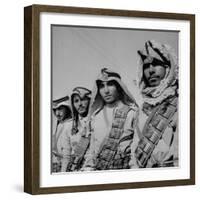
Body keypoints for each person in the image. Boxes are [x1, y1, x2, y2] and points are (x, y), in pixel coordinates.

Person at [82, 68, 139, 171]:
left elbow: (135, 151)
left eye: (110, 84)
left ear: (119, 87)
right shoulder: (95, 116)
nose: (106, 90)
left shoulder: (132, 113)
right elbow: (92, 150)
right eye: (102, 86)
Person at [135, 40, 178, 168]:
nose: (151, 70)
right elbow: (135, 146)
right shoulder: (142, 107)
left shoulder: (181, 103)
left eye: (156, 64)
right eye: (146, 66)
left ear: (168, 67)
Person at [61, 87, 92, 172]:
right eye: (76, 101)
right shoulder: (68, 126)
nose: (80, 104)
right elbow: (66, 156)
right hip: (76, 170)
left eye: (83, 100)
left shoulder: (98, 121)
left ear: (90, 101)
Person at [52, 95, 72, 172]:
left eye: (60, 109)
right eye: (55, 110)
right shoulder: (59, 124)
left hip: (65, 166)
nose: (57, 113)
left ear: (67, 109)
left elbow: (67, 154)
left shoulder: (71, 124)